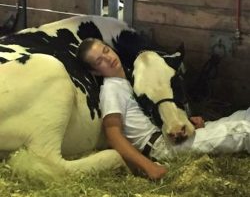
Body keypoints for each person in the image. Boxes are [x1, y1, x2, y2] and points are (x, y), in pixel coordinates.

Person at [77, 38, 250, 180]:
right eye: (99, 61)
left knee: (244, 115)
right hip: (160, 148)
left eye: (106, 50)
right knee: (243, 132)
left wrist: (187, 123)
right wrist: (149, 166)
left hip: (170, 136)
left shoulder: (132, 78)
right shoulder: (111, 90)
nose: (108, 58)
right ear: (96, 72)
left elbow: (152, 114)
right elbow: (113, 134)